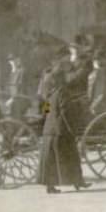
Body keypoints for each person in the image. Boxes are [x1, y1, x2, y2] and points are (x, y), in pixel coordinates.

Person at [37, 40, 93, 194]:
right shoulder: (63, 93)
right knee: (72, 157)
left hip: (50, 131)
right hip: (61, 132)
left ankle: (51, 186)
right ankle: (78, 182)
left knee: (50, 161)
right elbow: (66, 112)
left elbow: (46, 110)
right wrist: (72, 130)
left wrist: (45, 122)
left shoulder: (51, 95)